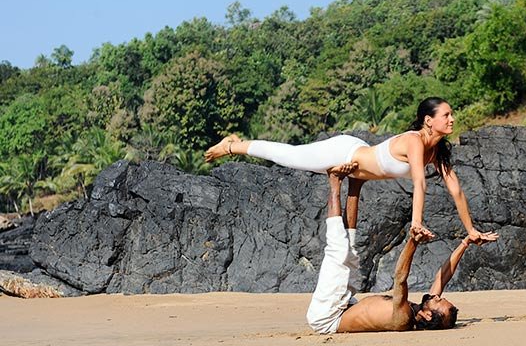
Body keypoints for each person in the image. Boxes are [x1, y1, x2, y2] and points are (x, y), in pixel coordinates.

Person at [204, 97, 495, 243]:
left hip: (358, 163)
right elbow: (419, 183)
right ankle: (231, 146)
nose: (452, 119)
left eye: (452, 114)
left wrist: (471, 230)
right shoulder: (415, 141)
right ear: (428, 120)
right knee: (289, 155)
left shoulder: (438, 151)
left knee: (350, 214)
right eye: (446, 115)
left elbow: (456, 191)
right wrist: (415, 222)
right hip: (342, 152)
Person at [306, 163, 498, 333]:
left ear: (428, 316)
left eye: (438, 301)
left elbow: (400, 277)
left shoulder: (403, 317)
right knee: (349, 247)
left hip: (327, 316)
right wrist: (465, 243)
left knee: (338, 250)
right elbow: (443, 276)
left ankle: (334, 181)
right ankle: (355, 185)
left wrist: (413, 242)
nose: (437, 297)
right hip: (346, 304)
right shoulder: (421, 308)